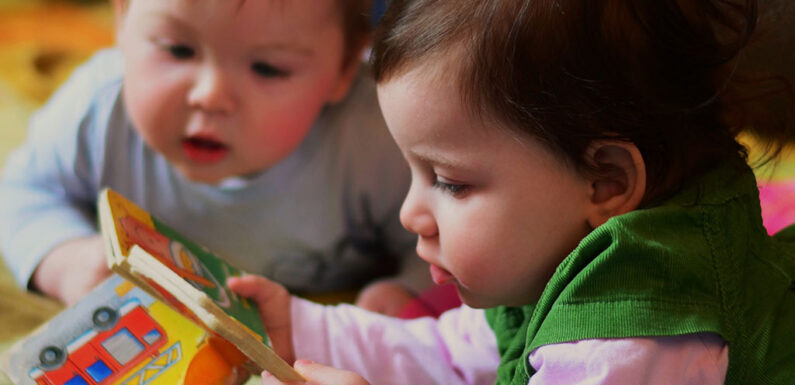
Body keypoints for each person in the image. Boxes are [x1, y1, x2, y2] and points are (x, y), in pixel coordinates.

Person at [227, 0, 795, 384]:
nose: (409, 214)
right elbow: (451, 357)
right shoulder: (556, 250)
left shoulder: (627, 342)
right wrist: (301, 328)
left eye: (450, 182)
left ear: (608, 182)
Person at [0, 0, 430, 313]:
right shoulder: (97, 110)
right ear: (123, 20)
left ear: (343, 70)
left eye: (267, 68)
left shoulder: (377, 138)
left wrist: (408, 293)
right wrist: (64, 259)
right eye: (177, 49)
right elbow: (21, 192)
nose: (210, 96)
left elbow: (446, 237)